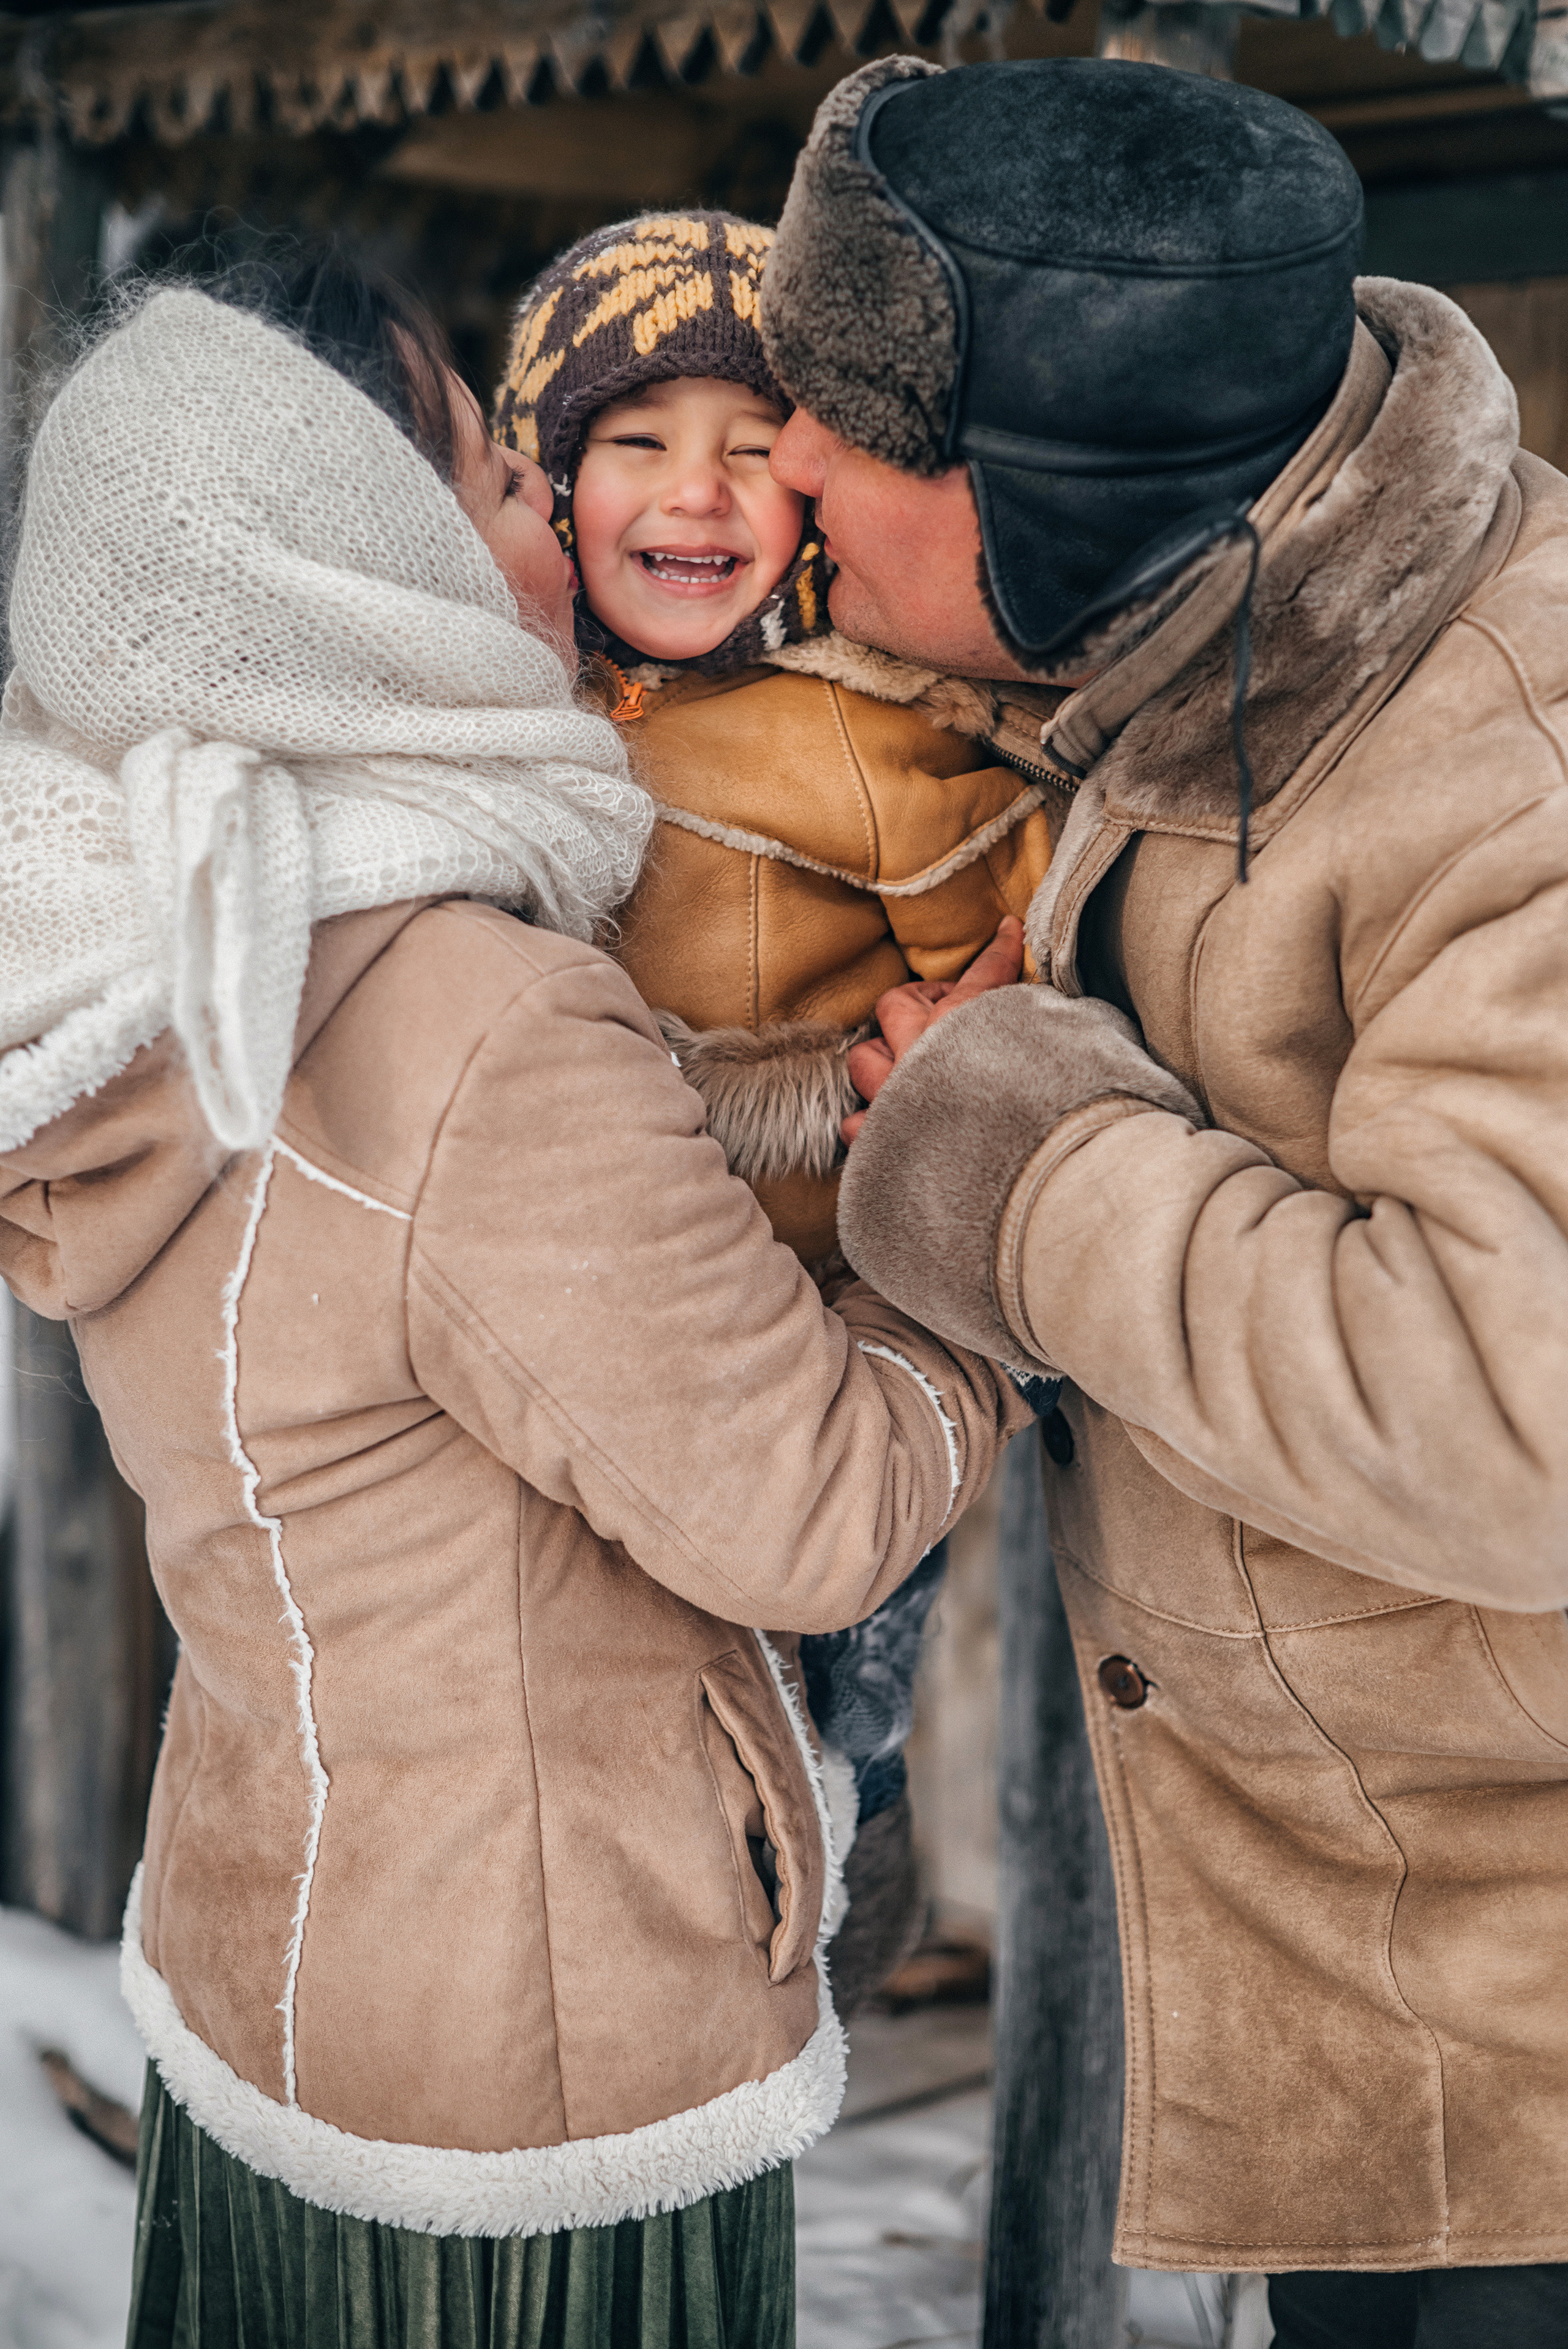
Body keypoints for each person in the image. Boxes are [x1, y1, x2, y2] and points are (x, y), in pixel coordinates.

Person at [0, 254, 1031, 2349]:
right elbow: (812, 1512)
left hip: (271, 1948)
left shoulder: (156, 932)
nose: (547, 526)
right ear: (362, 561)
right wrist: (979, 1233)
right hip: (536, 2070)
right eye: (495, 477)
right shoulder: (466, 1006)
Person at [763, 53, 1568, 2349]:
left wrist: (1025, 1162)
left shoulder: (1517, 768)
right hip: (1372, 1955)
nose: (788, 460)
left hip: (1519, 2053)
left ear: (1052, 483)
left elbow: (1525, 1414)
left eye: (855, 420)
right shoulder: (1238, 603)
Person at [492, 209, 1057, 2012]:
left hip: (803, 1324)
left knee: (825, 1649)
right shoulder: (514, 710)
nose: (702, 492)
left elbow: (1009, 969)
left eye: (754, 449)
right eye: (638, 444)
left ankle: (848, 1825)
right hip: (568, 1297)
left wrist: (893, 1083)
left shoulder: (875, 742)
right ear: (547, 483)